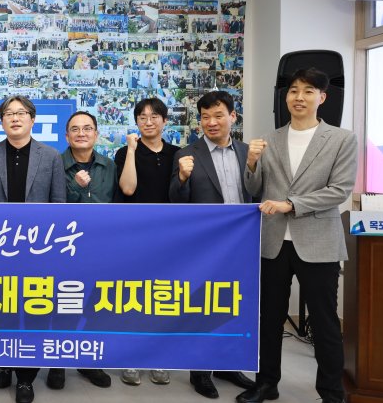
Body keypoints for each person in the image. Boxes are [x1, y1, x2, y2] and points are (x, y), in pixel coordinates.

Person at [237, 69, 356, 403]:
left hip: (319, 242)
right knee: (269, 318)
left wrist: (291, 204)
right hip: (273, 242)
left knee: (325, 321)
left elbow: (340, 190)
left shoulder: (342, 139)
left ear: (322, 97)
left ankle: (331, 392)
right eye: (293, 91)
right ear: (285, 97)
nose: (299, 97)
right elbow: (254, 188)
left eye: (308, 91)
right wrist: (251, 162)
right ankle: (266, 383)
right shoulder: (270, 139)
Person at [0, 95, 67, 403]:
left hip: (38, 248)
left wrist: (52, 247)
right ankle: (4, 362)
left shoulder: (50, 156)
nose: (15, 118)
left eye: (21, 113)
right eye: (9, 113)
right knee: (2, 308)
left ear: (32, 119)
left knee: (34, 310)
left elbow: (59, 204)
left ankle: (26, 377)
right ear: (2, 121)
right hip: (0, 247)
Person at [168, 90, 256, 399]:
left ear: (233, 116)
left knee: (235, 306)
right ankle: (201, 371)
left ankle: (228, 364)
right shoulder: (187, 154)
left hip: (243, 244)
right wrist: (182, 177)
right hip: (205, 247)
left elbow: (258, 194)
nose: (211, 122)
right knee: (203, 307)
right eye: (205, 117)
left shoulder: (247, 152)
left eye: (218, 115)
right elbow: (175, 201)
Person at [115, 97, 179, 386]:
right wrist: (131, 150)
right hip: (134, 238)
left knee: (162, 299)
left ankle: (159, 357)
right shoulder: (124, 152)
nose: (148, 122)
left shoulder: (177, 154)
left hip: (168, 239)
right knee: (134, 298)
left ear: (165, 121)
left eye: (154, 117)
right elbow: (128, 188)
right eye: (142, 117)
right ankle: (131, 357)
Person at [52, 110, 114, 390]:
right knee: (62, 305)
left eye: (87, 128)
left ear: (96, 134)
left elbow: (117, 204)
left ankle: (88, 361)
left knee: (94, 305)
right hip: (63, 248)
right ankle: (57, 363)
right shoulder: (54, 163)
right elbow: (52, 205)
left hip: (100, 246)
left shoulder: (109, 166)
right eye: (75, 129)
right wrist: (76, 188)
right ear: (67, 136)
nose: (81, 133)